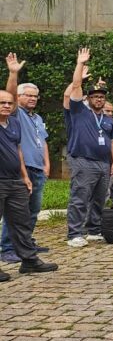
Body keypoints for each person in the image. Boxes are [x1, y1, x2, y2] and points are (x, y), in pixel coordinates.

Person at [0, 87, 57, 280]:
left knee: (21, 221)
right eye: (2, 103)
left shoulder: (14, 124)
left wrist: (24, 176)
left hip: (16, 180)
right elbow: (11, 88)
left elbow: (18, 150)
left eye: (9, 103)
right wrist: (13, 73)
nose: (6, 105)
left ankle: (29, 261)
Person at [64, 48, 113, 247]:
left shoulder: (108, 119)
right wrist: (80, 64)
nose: (99, 99)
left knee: (99, 199)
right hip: (83, 160)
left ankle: (93, 230)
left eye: (102, 97)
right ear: (87, 99)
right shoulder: (79, 111)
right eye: (95, 96)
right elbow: (76, 86)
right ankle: (74, 234)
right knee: (80, 197)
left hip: (104, 163)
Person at [2, 54, 50, 264]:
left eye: (35, 96)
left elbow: (42, 142)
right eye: (28, 95)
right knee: (14, 213)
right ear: (19, 98)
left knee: (31, 211)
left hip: (36, 170)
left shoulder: (37, 118)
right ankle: (7, 247)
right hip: (19, 171)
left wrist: (46, 165)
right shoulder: (15, 114)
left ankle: (26, 244)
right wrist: (13, 74)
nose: (32, 99)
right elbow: (10, 95)